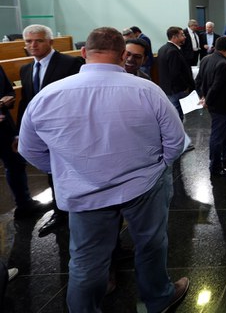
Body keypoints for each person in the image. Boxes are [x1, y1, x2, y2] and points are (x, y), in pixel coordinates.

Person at [18, 27, 190, 313]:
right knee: (151, 244)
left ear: (84, 52)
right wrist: (159, 166)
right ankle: (158, 299)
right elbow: (175, 141)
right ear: (123, 55)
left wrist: (67, 170)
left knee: (86, 261)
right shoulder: (147, 90)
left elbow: (29, 149)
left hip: (83, 192)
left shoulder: (48, 95)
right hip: (143, 185)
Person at [17, 24, 83, 236]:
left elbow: (79, 98)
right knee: (51, 171)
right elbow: (26, 102)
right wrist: (21, 132)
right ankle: (60, 211)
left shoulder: (70, 63)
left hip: (68, 130)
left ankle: (78, 210)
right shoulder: (26, 69)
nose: (33, 45)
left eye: (38, 40)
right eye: (28, 41)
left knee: (73, 171)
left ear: (50, 42)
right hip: (41, 132)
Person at [0, 64, 49, 219]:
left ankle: (24, 204)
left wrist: (7, 100)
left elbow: (8, 90)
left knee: (15, 164)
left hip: (4, 127)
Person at [196, 37, 226, 177]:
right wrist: (207, 100)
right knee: (217, 135)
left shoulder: (206, 59)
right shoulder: (222, 63)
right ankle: (215, 166)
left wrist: (202, 96)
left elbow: (198, 81)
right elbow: (216, 86)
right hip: (221, 105)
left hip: (214, 104)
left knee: (224, 131)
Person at [157, 26, 195, 121]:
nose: (184, 37)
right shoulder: (173, 51)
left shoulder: (162, 49)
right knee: (177, 116)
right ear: (174, 37)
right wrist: (186, 87)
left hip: (168, 88)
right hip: (176, 90)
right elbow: (175, 73)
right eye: (182, 35)